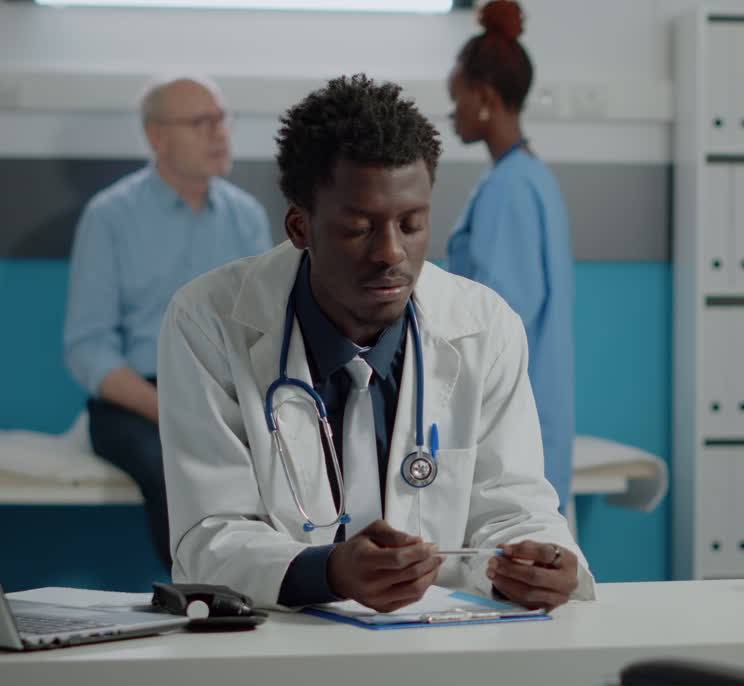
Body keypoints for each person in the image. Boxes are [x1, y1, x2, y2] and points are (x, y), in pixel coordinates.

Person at [157, 74, 593, 621]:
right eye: (359, 228)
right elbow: (208, 535)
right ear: (300, 226)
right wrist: (330, 571)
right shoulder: (210, 321)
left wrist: (540, 562)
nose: (392, 254)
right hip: (282, 647)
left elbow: (514, 507)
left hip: (444, 646)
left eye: (412, 224)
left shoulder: (484, 327)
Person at [63, 76, 271, 568]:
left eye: (222, 118)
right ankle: (202, 597)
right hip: (137, 401)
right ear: (158, 137)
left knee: (283, 464)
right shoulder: (110, 216)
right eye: (201, 122)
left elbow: (265, 329)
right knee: (174, 471)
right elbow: (87, 346)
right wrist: (169, 409)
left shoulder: (247, 216)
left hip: (226, 394)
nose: (220, 133)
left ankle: (275, 585)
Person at [447, 0, 575, 517]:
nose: (452, 111)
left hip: (512, 430)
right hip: (533, 424)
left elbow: (496, 324)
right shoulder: (529, 176)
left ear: (483, 98)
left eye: (455, 98)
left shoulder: (510, 189)